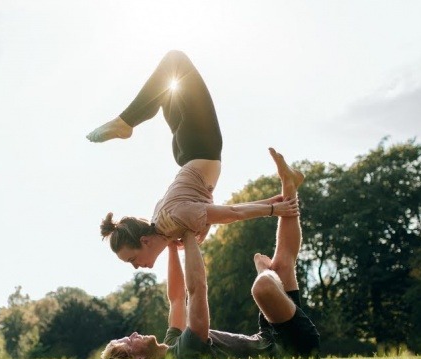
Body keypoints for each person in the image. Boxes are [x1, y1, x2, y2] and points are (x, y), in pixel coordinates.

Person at [99, 148, 320, 359]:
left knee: (283, 263)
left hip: (269, 338)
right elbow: (196, 290)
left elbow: (176, 298)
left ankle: (289, 184)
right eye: (130, 341)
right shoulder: (184, 355)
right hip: (291, 350)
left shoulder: (172, 343)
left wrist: (171, 244)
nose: (134, 333)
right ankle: (264, 270)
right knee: (263, 287)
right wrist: (185, 232)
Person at [89, 50, 299, 270]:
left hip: (200, 146)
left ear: (145, 241)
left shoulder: (177, 219)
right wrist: (274, 203)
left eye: (132, 259)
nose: (135, 267)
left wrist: (274, 211)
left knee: (176, 62)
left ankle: (126, 122)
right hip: (184, 152)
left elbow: (233, 213)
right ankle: (127, 122)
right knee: (169, 87)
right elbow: (203, 202)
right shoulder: (161, 220)